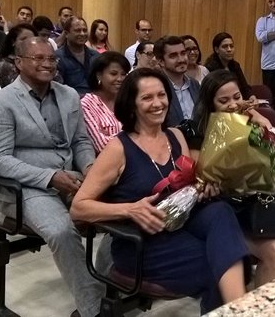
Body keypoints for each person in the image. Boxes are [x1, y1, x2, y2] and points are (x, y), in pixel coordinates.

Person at [70, 68, 248, 314]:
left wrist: (203, 186)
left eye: (161, 95)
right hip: (142, 242)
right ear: (131, 104)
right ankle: (239, 309)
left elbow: (188, 186)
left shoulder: (175, 135)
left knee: (221, 212)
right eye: (147, 98)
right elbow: (78, 207)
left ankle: (238, 309)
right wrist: (130, 210)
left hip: (179, 223)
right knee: (219, 265)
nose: (158, 103)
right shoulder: (118, 148)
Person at [0, 37, 104, 317]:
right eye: (38, 58)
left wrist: (90, 168)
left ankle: (108, 283)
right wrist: (49, 177)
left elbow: (80, 141)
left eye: (51, 59)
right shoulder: (0, 102)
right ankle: (93, 308)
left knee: (121, 211)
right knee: (61, 231)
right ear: (18, 62)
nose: (47, 64)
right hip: (24, 187)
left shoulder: (69, 95)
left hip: (72, 177)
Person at [190, 69, 275, 287]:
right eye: (223, 101)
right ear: (210, 104)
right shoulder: (197, 134)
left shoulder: (252, 124)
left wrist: (266, 127)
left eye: (237, 97)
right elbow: (205, 179)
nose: (233, 105)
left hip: (258, 206)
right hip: (226, 212)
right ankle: (256, 305)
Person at [80, 52, 130, 153]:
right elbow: (102, 145)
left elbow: (145, 132)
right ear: (99, 76)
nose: (120, 79)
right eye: (113, 74)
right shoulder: (86, 104)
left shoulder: (128, 100)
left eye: (123, 74)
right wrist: (132, 136)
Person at [154, 36, 199, 127]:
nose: (181, 59)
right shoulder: (156, 88)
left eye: (183, 53)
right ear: (161, 61)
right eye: (173, 56)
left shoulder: (194, 84)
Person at [204, 32, 254, 100]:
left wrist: (251, 97)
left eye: (231, 46)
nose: (229, 49)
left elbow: (244, 87)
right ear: (216, 49)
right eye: (225, 47)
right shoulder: (210, 68)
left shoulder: (235, 66)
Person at [55, 16, 98, 95]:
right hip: (70, 99)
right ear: (66, 34)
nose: (82, 34)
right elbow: (58, 88)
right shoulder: (57, 57)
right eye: (78, 30)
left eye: (84, 30)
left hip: (94, 99)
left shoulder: (95, 56)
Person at [0, 23, 37, 88]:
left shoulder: (38, 61)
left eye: (32, 40)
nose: (28, 42)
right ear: (13, 41)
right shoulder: (5, 65)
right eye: (24, 39)